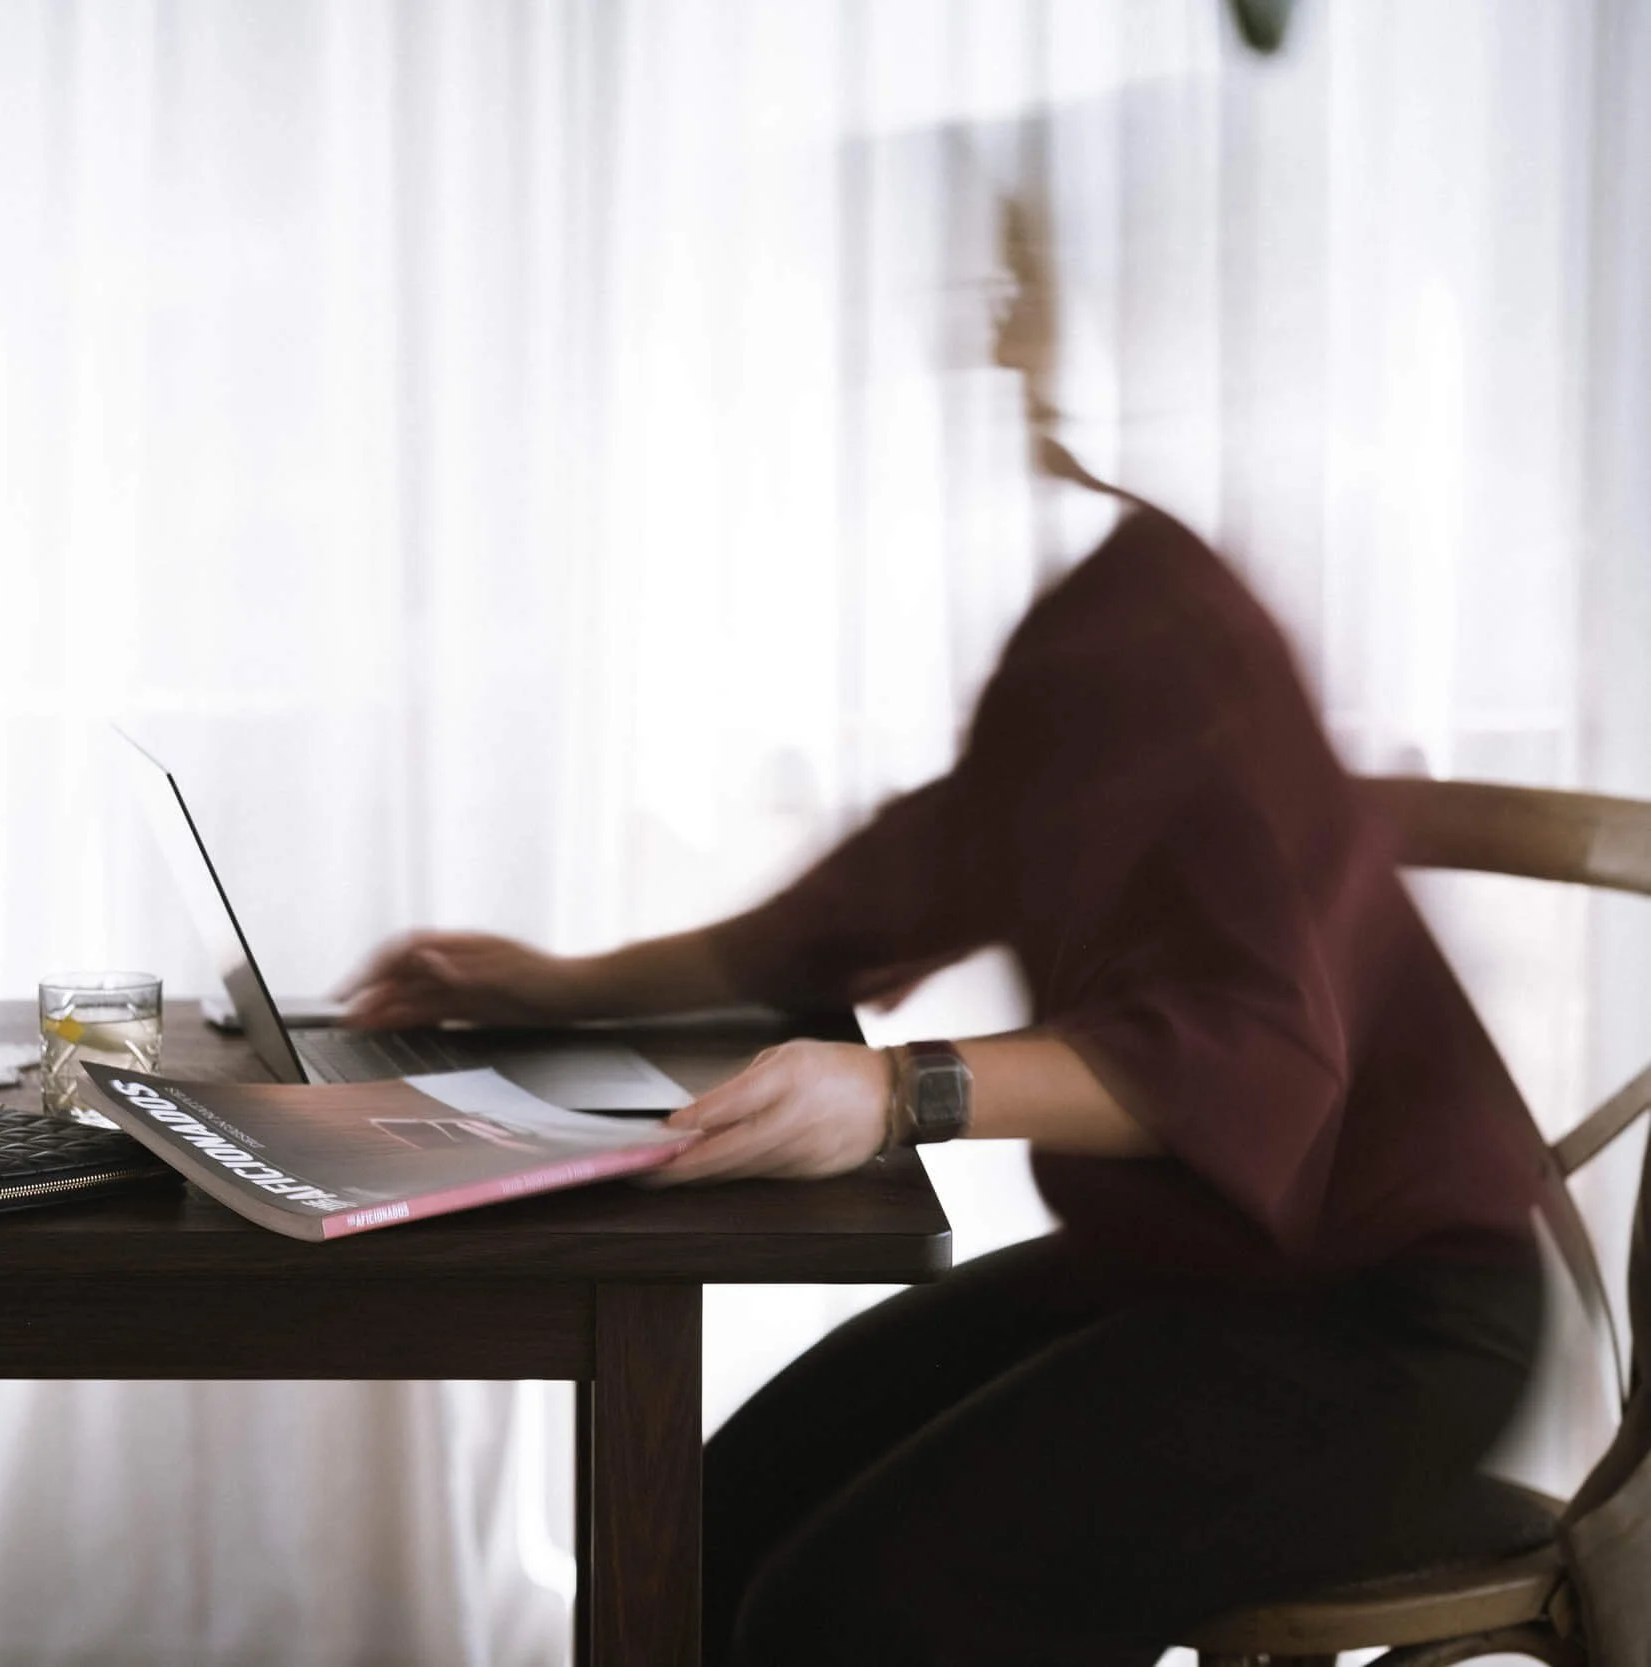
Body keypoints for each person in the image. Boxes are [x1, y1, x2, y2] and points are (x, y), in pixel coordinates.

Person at [338, 199, 1547, 1666]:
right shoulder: (1088, 630)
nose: (989, 330)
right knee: (691, 1520)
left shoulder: (1188, 634)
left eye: (1026, 284)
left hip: (1390, 1320)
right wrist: (552, 983)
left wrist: (900, 1091)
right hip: (1198, 1274)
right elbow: (854, 909)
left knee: (851, 1620)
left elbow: (1259, 1053)